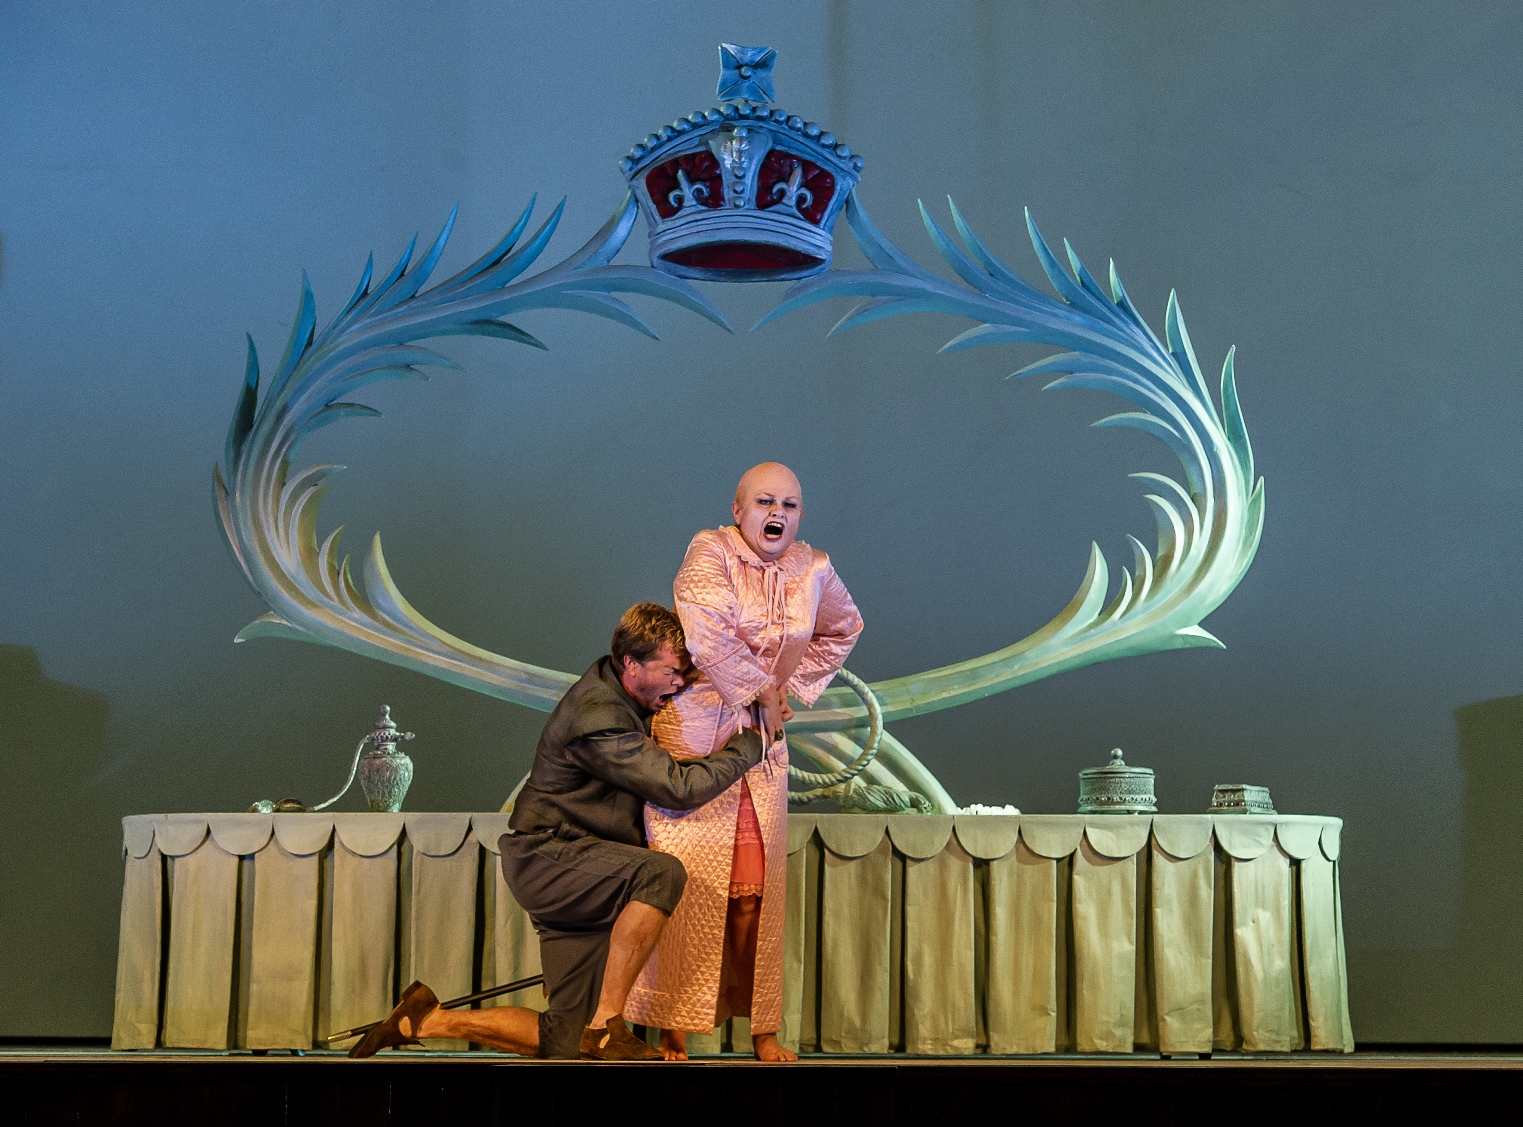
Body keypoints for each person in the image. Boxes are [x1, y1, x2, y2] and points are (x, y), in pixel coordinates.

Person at [348, 602, 764, 1061]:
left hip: (581, 865)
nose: (679, 682)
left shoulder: (624, 694)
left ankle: (426, 1020)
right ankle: (606, 1025)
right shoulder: (597, 716)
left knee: (565, 1041)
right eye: (671, 670)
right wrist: (750, 745)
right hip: (548, 856)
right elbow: (678, 788)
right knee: (660, 874)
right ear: (631, 662)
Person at [625, 463, 863, 1061]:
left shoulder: (814, 568)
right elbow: (705, 631)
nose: (778, 513)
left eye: (790, 503)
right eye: (764, 501)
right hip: (698, 733)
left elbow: (844, 627)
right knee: (688, 882)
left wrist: (790, 688)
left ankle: (762, 1028)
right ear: (739, 510)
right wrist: (761, 687)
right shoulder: (710, 550)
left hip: (763, 743)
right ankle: (672, 1025)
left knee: (755, 891)